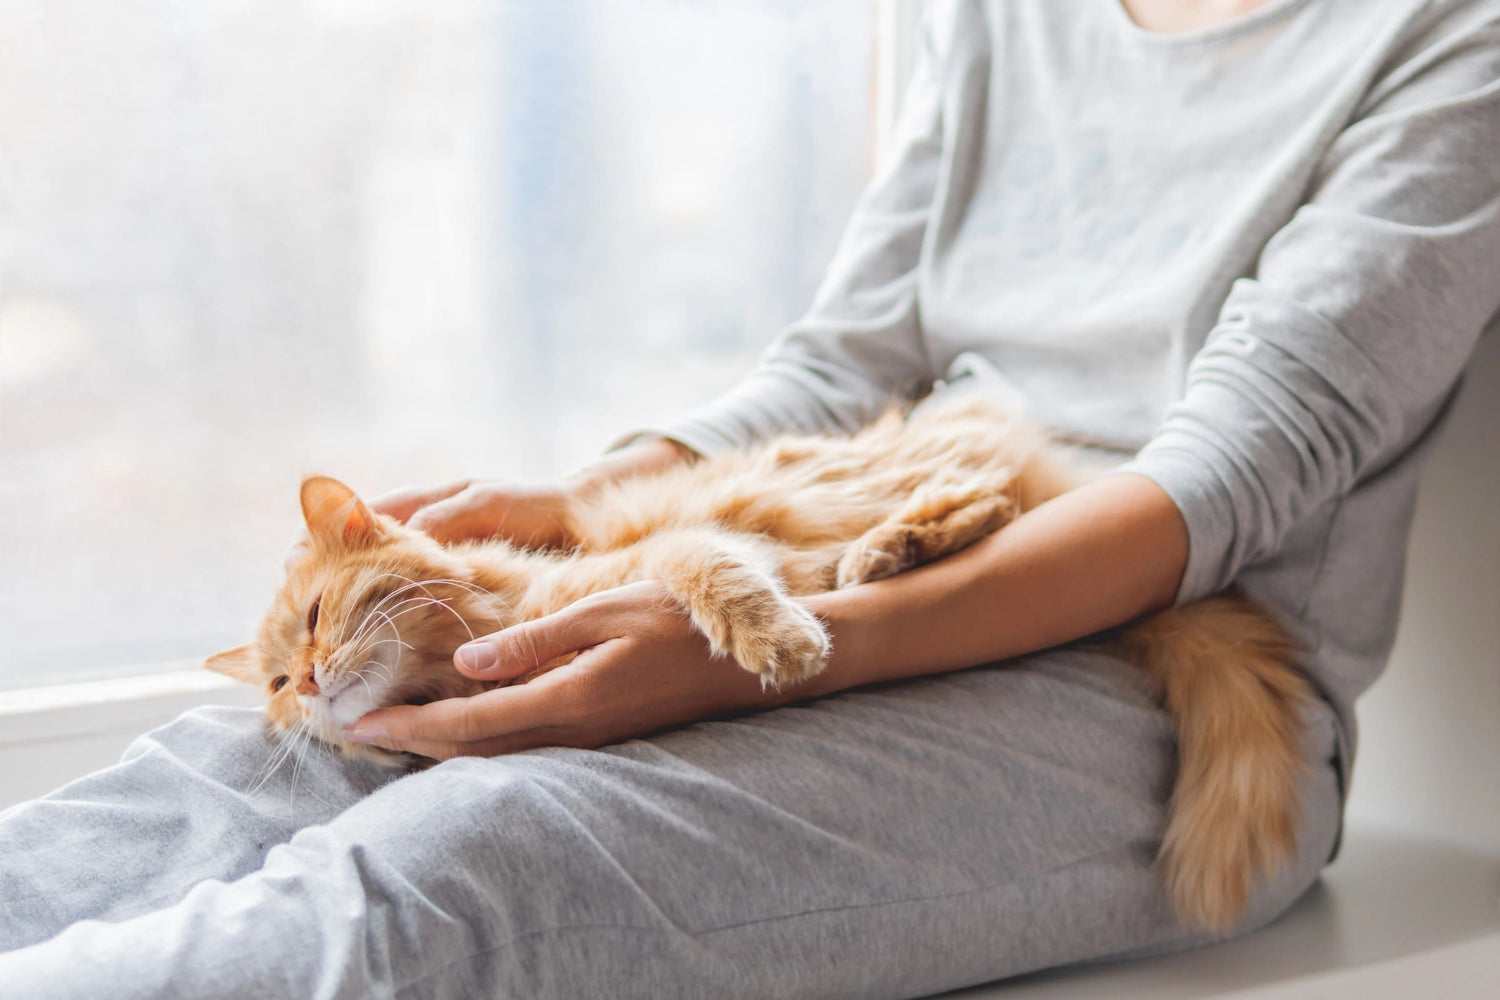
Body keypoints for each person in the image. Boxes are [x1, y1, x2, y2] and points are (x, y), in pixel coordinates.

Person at [3, 1, 1497, 996]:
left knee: (471, 862)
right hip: (856, 540)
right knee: (241, 769)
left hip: (1147, 686)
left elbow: (1222, 479)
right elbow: (846, 362)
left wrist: (777, 645)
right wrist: (586, 505)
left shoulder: (1453, 45)